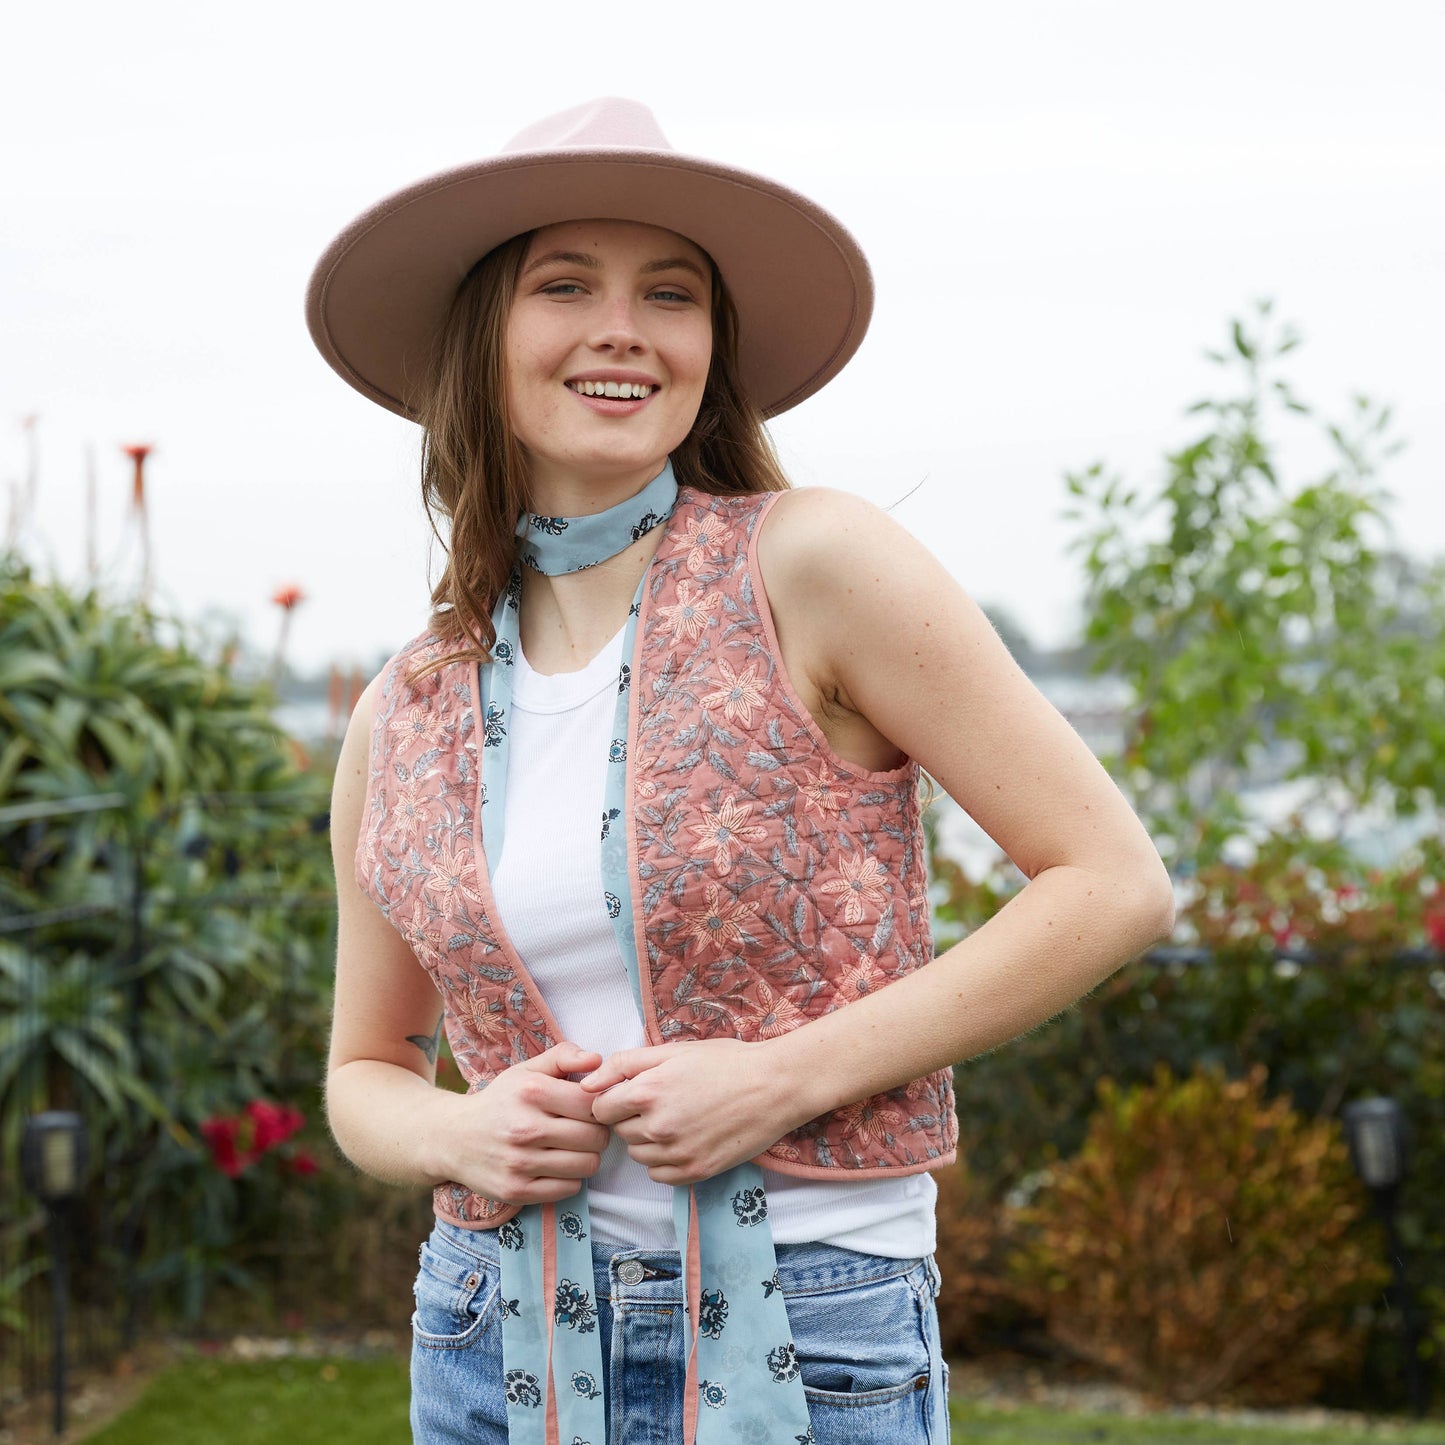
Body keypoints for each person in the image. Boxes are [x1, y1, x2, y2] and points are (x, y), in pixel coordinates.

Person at [311, 98, 1174, 1445]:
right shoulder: (402, 705)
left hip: (807, 1321)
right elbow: (366, 1065)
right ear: (481, 338)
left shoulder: (812, 565)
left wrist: (785, 1074)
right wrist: (453, 1136)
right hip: (489, 1331)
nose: (624, 326)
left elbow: (1112, 883)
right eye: (565, 285)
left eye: (671, 292)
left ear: (709, 350)